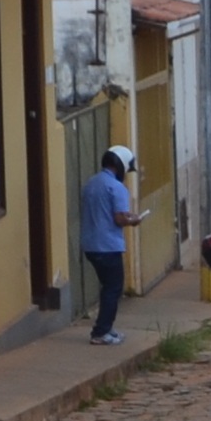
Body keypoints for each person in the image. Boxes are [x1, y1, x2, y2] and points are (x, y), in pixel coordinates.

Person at [76, 144, 138, 344]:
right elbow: (119, 219)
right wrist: (133, 220)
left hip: (90, 244)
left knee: (108, 287)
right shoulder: (117, 187)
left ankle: (106, 329)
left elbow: (103, 211)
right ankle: (101, 331)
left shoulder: (91, 183)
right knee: (113, 288)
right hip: (108, 245)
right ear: (120, 166)